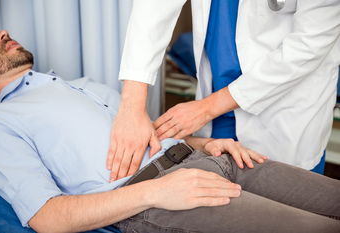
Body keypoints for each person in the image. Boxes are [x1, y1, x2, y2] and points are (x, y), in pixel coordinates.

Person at [0, 29, 340, 233]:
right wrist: (156, 193)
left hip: (210, 159)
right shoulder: (0, 121)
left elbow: (147, 136)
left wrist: (205, 142)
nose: (3, 32)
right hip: (162, 196)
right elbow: (47, 218)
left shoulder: (78, 85)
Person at [108, 0, 340, 182]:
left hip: (285, 107)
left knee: (289, 207)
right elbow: (154, 6)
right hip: (216, 97)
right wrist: (132, 104)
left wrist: (206, 108)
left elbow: (311, 42)